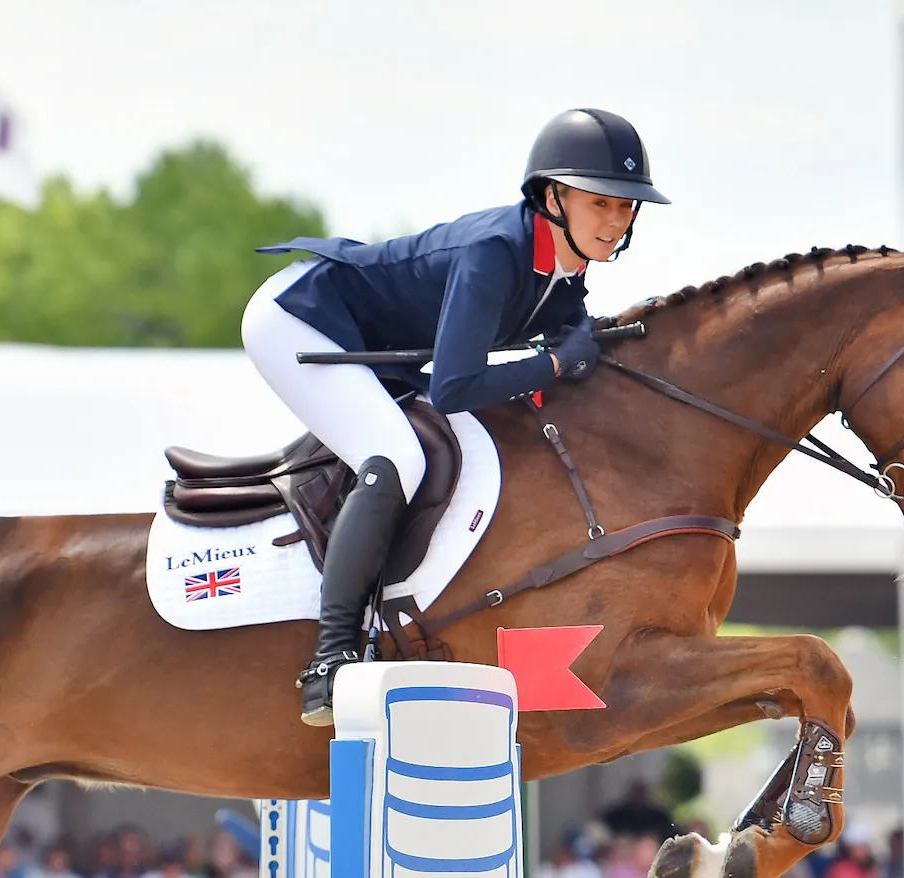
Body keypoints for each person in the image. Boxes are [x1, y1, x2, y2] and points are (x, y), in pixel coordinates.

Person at [243, 108, 672, 726]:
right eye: (601, 202)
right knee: (396, 457)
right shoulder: (497, 252)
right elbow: (454, 388)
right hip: (299, 319)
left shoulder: (559, 266)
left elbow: (572, 329)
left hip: (367, 343)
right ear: (552, 198)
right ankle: (329, 660)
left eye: (628, 206)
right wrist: (554, 366)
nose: (617, 219)